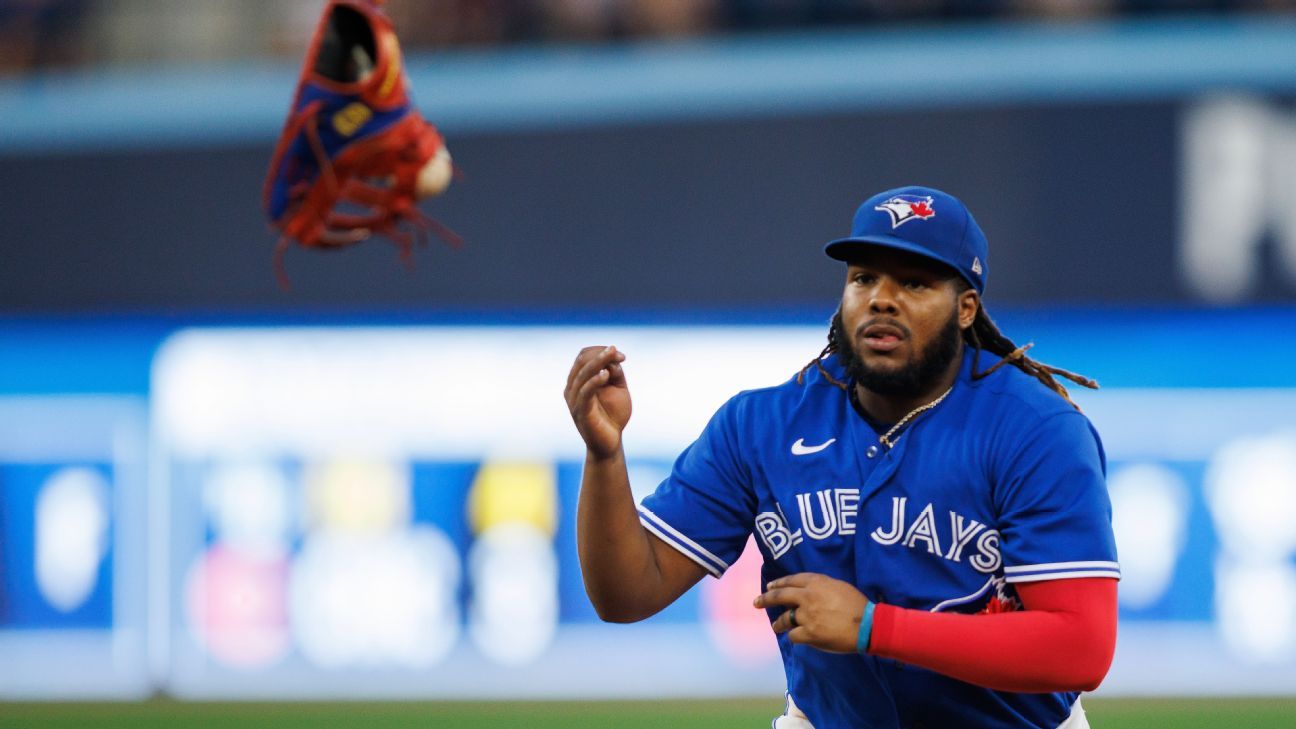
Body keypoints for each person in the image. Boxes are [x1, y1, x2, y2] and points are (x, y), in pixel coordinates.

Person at [564, 186, 1119, 729]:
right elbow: (627, 594)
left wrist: (874, 628)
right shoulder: (763, 425)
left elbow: (1080, 648)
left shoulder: (1035, 431)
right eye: (864, 277)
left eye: (915, 282)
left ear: (966, 308)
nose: (882, 297)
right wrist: (605, 454)